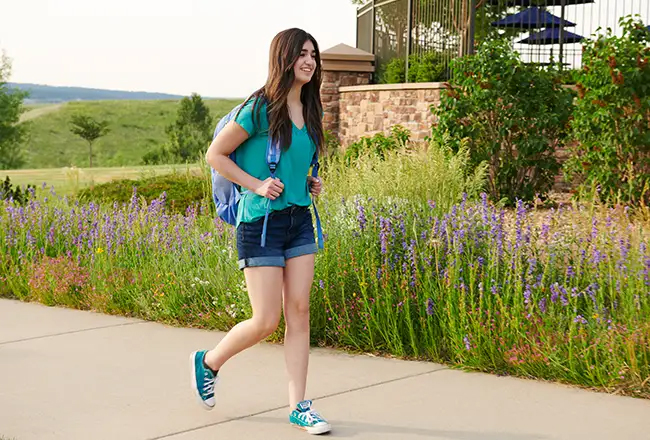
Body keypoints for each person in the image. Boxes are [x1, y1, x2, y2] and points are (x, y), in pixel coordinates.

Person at [190, 28, 330, 435]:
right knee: (266, 319)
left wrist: (309, 182)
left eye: (313, 55)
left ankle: (299, 406)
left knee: (299, 311)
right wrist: (255, 184)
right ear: (283, 58)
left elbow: (296, 164)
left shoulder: (310, 109)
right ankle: (209, 361)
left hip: (300, 219)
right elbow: (215, 154)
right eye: (302, 54)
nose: (309, 61)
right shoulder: (259, 109)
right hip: (260, 224)